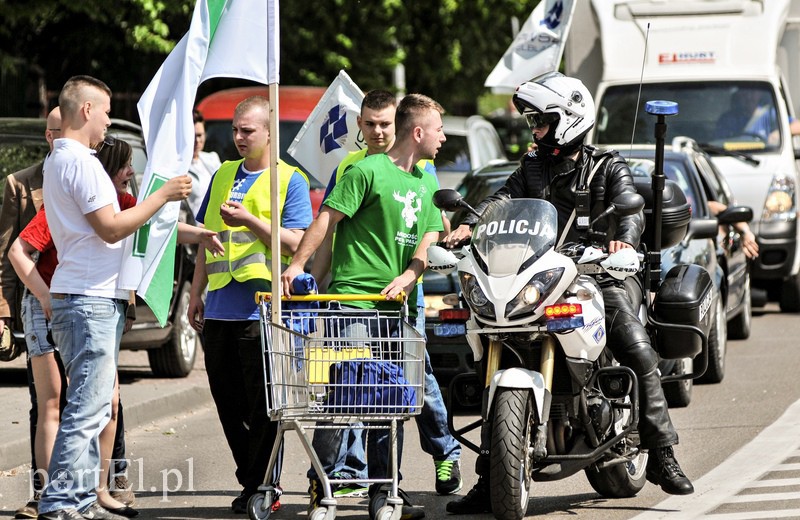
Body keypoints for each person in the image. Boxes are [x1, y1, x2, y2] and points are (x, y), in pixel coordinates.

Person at [443, 73, 694, 515]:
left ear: (567, 119)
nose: (534, 129)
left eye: (540, 120)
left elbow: (630, 208)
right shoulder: (531, 167)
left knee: (638, 350)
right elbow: (501, 201)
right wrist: (472, 222)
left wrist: (625, 242)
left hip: (601, 273)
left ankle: (662, 453)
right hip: (540, 275)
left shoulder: (608, 166)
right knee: (493, 345)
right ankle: (491, 477)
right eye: (532, 121)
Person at [281, 93, 447, 518]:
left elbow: (429, 237)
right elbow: (326, 220)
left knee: (390, 405)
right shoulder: (365, 171)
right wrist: (298, 265)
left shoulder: (427, 181)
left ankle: (385, 493)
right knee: (347, 395)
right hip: (354, 302)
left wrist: (410, 275)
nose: (443, 138)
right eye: (439, 130)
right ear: (418, 132)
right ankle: (322, 484)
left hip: (397, 313)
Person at [36, 75, 191, 520]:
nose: (108, 123)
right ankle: (63, 505)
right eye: (105, 112)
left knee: (92, 405)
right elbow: (111, 228)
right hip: (89, 299)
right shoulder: (81, 163)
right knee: (87, 410)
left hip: (82, 295)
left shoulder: (62, 160)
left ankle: (77, 502)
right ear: (85, 110)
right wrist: (161, 196)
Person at [187, 95, 312, 514]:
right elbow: (207, 238)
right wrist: (194, 293)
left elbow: (297, 243)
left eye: (248, 130)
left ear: (269, 132)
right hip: (220, 307)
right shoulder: (222, 173)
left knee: (262, 407)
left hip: (260, 312)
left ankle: (264, 485)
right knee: (227, 403)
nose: (238, 137)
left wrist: (252, 222)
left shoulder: (289, 180)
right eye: (236, 130)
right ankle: (251, 479)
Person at [187, 109, 221, 219]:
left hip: (217, 227)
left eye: (200, 135)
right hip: (193, 230)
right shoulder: (176, 166)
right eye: (192, 135)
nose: (197, 140)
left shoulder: (212, 158)